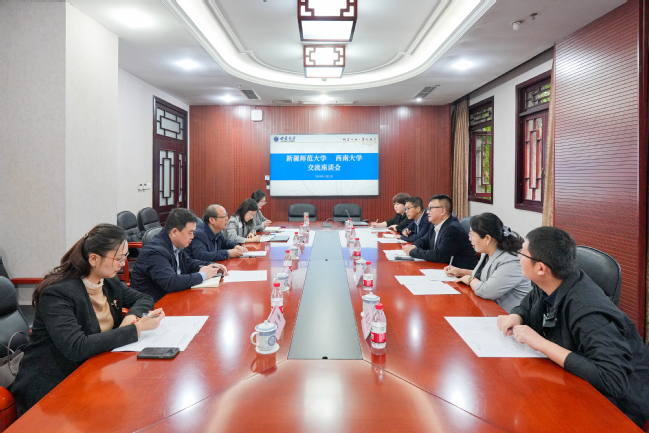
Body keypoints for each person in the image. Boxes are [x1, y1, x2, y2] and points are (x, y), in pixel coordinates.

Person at [497, 227, 649, 427]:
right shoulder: (552, 281)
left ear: (541, 268)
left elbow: (613, 380)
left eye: (522, 253)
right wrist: (516, 316)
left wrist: (540, 343)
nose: (518, 257)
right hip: (571, 380)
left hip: (616, 406)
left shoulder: (588, 310)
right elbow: (529, 302)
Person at [10, 224, 163, 416]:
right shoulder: (57, 293)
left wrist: (132, 317)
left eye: (125, 256)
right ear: (94, 259)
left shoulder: (109, 281)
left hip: (97, 370)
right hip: (55, 385)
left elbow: (144, 298)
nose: (123, 263)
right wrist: (136, 329)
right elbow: (77, 347)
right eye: (118, 258)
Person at [130, 208, 227, 302]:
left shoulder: (175, 244)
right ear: (174, 232)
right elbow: (171, 282)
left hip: (173, 298)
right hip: (153, 305)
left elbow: (189, 263)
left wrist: (211, 265)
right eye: (190, 233)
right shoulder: (154, 252)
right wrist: (203, 275)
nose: (192, 237)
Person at [444, 213, 532, 312]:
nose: (469, 238)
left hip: (509, 316)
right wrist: (460, 271)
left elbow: (486, 291)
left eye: (472, 234)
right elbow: (486, 275)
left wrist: (469, 279)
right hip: (488, 309)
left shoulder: (512, 260)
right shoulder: (488, 251)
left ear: (487, 238)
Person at [403, 194, 478, 269]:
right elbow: (424, 240)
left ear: (443, 211)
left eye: (430, 208)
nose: (427, 212)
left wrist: (412, 251)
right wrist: (414, 246)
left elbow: (439, 255)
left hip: (460, 273)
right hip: (443, 268)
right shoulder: (434, 224)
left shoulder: (452, 229)